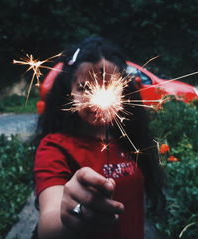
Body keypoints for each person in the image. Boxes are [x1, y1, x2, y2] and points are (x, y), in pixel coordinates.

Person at [33, 37, 165, 239]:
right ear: (69, 92)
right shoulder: (54, 148)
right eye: (84, 88)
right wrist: (70, 215)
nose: (97, 99)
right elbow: (48, 224)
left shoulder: (130, 138)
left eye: (110, 87)